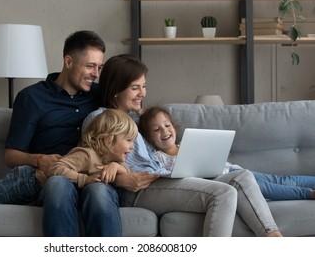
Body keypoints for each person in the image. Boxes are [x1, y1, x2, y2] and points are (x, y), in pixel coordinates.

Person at [82, 53, 283, 237]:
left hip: (160, 178)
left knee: (242, 176)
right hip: (138, 191)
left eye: (144, 86)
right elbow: (89, 161)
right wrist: (120, 177)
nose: (142, 93)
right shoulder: (99, 118)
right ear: (116, 90)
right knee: (224, 193)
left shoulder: (135, 120)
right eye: (135, 88)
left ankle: (273, 237)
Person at [4, 30, 122, 237]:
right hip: (55, 177)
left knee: (99, 192)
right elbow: (10, 155)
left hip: (94, 175)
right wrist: (39, 160)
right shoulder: (31, 98)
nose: (96, 74)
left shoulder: (99, 95)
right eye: (90, 66)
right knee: (59, 185)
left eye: (99, 67)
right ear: (68, 62)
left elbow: (126, 122)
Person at [0, 109, 136, 206]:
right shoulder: (86, 154)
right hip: (27, 183)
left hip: (27, 182)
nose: (132, 147)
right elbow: (56, 169)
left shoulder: (109, 161)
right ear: (108, 141)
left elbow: (126, 174)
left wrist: (118, 167)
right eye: (128, 141)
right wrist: (83, 179)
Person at [138, 106, 315, 201]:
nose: (164, 131)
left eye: (167, 125)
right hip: (226, 182)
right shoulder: (158, 158)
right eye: (156, 129)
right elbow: (163, 173)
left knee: (279, 180)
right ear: (149, 137)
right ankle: (308, 194)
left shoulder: (189, 142)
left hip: (233, 171)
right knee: (265, 188)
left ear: (174, 127)